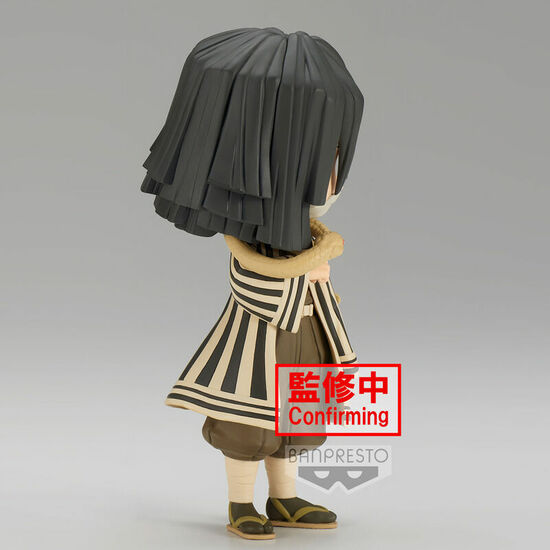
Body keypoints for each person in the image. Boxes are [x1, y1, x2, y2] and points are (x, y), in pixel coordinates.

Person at [140, 27, 364, 540]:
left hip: (303, 334)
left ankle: (284, 497)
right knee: (249, 423)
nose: (330, 178)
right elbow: (253, 282)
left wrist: (317, 265)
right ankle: (241, 502)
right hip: (258, 342)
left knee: (298, 418)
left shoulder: (308, 233)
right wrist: (313, 266)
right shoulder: (248, 237)